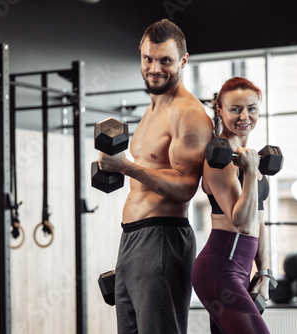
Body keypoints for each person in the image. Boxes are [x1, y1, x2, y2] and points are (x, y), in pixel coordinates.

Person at [97, 19, 213, 334]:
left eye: (165, 60)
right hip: (132, 239)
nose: (154, 68)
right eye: (148, 58)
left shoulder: (189, 115)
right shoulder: (151, 111)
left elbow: (187, 186)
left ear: (183, 61)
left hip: (162, 239)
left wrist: (128, 167)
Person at [191, 77, 273, 334]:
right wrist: (249, 173)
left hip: (242, 270)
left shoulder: (251, 158)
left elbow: (259, 221)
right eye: (235, 109)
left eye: (252, 108)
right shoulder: (220, 160)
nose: (244, 116)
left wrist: (265, 274)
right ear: (220, 111)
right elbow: (243, 223)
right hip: (218, 268)